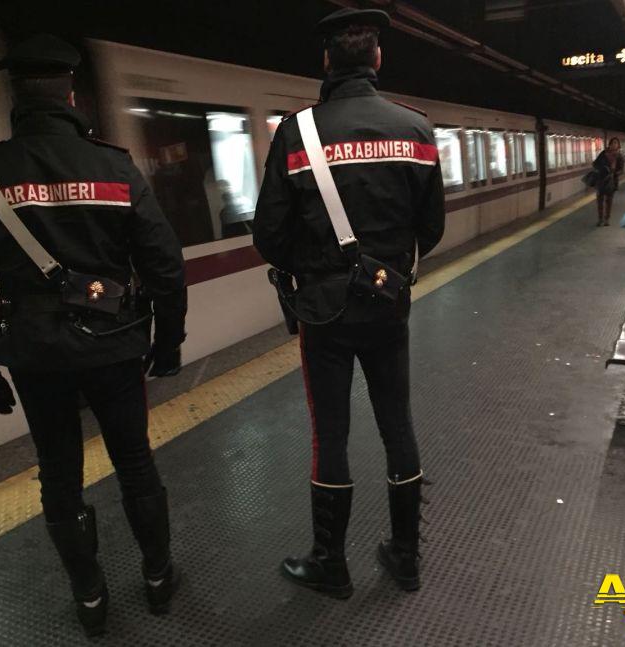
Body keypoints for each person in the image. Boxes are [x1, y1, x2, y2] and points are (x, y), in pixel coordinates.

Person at [0, 34, 187, 636]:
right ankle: (158, 579)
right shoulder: (113, 166)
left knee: (58, 471)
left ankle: (89, 597)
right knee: (134, 462)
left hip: (33, 352)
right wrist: (170, 339)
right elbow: (164, 262)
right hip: (114, 341)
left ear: (15, 98)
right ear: (70, 92)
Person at [253, 8, 445, 598]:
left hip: (324, 314)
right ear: (378, 59)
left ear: (327, 61)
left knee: (329, 436)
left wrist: (315, 268)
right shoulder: (416, 129)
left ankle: (329, 564)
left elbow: (269, 234)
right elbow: (431, 227)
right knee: (398, 426)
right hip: (389, 308)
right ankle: (405, 556)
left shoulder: (297, 133)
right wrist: (387, 264)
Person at [592, 137, 625, 226]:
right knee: (600, 200)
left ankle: (606, 219)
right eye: (613, 143)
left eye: (616, 143)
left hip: (611, 181)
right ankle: (600, 219)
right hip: (601, 180)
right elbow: (595, 164)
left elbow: (621, 169)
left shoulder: (619, 156)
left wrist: (615, 173)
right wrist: (602, 169)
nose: (614, 145)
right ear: (609, 144)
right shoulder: (603, 154)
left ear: (618, 145)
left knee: (609, 201)